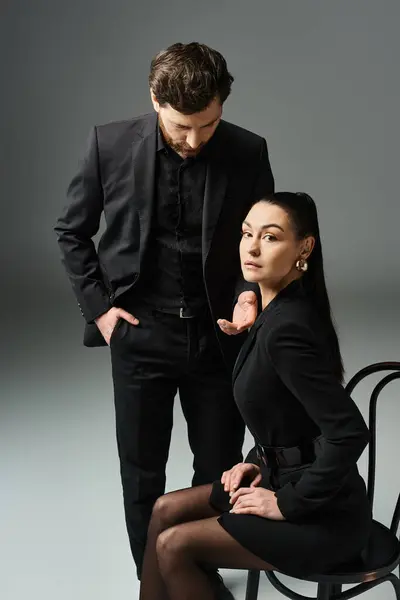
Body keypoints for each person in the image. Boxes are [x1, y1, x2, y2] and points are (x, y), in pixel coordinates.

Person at [54, 41, 274, 593]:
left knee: (218, 470)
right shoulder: (108, 144)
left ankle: (195, 574)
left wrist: (251, 293)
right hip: (140, 333)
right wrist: (101, 311)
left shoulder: (248, 151)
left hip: (219, 338)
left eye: (208, 124)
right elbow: (72, 233)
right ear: (155, 99)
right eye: (182, 127)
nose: (196, 140)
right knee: (142, 476)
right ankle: (156, 583)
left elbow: (262, 243)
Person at [138, 192, 372, 600]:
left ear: (305, 247)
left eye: (270, 237)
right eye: (247, 233)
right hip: (280, 477)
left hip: (323, 516)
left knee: (173, 544)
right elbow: (293, 422)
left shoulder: (287, 329)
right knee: (164, 510)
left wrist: (286, 505)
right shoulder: (274, 312)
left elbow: (348, 433)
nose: (251, 246)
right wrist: (256, 462)